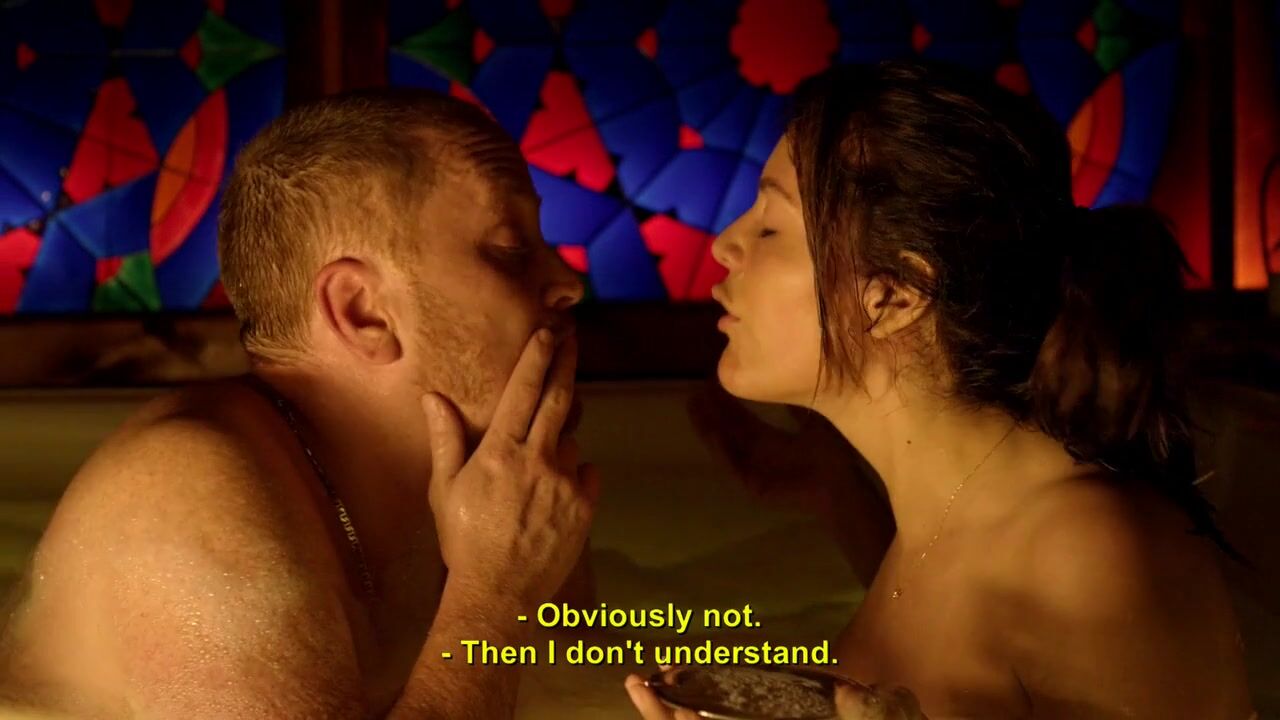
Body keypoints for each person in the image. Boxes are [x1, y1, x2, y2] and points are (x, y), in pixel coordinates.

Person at [628, 61, 1255, 718]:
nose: (725, 246)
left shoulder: (1082, 550)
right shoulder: (951, 521)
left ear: (896, 296)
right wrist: (836, 494)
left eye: (770, 227)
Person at [0, 89, 598, 719]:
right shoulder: (184, 493)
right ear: (364, 313)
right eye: (510, 248)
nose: (568, 283)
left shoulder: (500, 491)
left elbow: (579, 684)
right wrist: (494, 599)